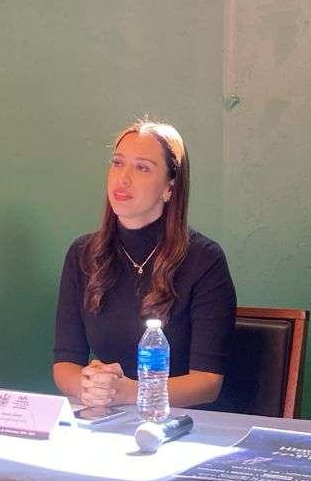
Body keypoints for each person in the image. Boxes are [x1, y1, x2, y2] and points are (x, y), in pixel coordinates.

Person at [53, 120, 236, 409]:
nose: (123, 178)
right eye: (117, 163)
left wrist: (132, 393)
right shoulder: (82, 253)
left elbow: (207, 382)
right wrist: (88, 387)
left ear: (169, 188)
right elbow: (65, 363)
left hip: (182, 422)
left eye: (142, 168)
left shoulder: (205, 259)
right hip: (107, 415)